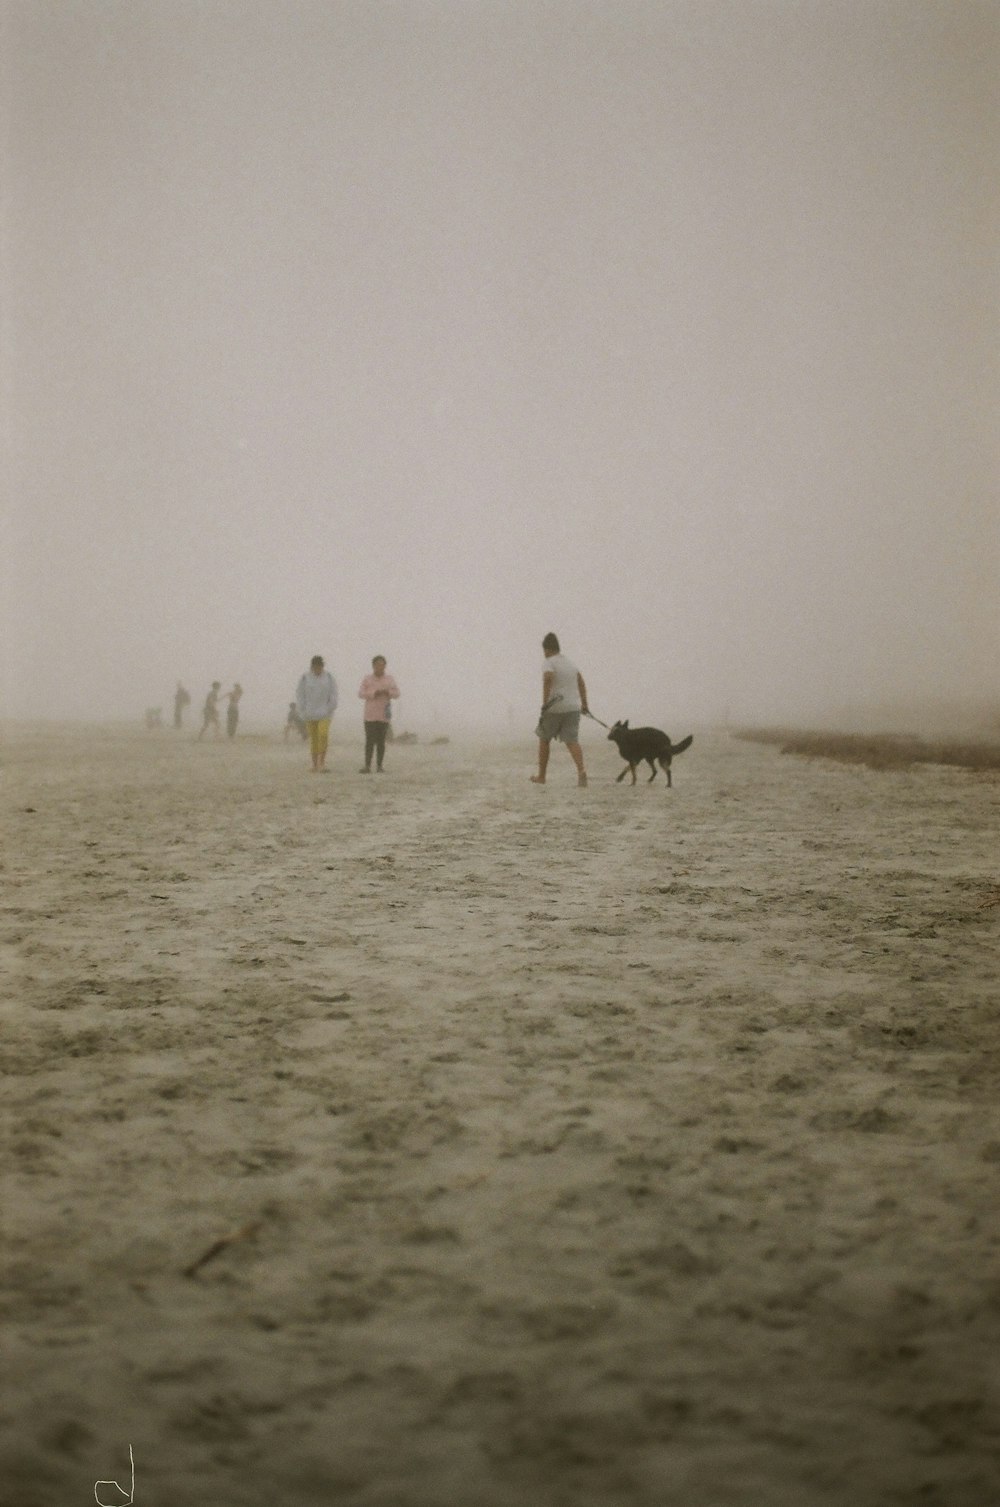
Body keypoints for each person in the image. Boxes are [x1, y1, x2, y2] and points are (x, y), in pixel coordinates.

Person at [532, 632, 589, 787]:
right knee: (572, 741)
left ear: (548, 649)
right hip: (573, 707)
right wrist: (584, 704)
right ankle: (581, 770)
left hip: (555, 706)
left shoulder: (549, 662)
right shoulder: (570, 663)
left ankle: (542, 776)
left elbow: (548, 679)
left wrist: (545, 703)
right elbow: (581, 683)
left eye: (544, 650)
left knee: (544, 738)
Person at [357, 655, 400, 773]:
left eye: (382, 665)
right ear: (373, 666)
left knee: (381, 741)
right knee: (370, 741)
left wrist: (387, 692)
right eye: (377, 665)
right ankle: (367, 766)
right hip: (370, 715)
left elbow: (397, 693)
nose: (379, 667)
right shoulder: (367, 679)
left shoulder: (389, 679)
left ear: (385, 666)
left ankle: (379, 766)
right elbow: (360, 693)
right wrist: (373, 693)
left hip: (384, 715)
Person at [296, 655, 338, 772]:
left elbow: (334, 694)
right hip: (310, 713)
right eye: (315, 666)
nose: (317, 668)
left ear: (322, 666)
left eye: (320, 666)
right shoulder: (305, 678)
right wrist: (302, 710)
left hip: (325, 714)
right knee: (314, 738)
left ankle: (322, 762)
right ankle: (314, 764)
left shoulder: (329, 677)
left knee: (323, 735)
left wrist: (329, 708)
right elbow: (300, 694)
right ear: (312, 666)